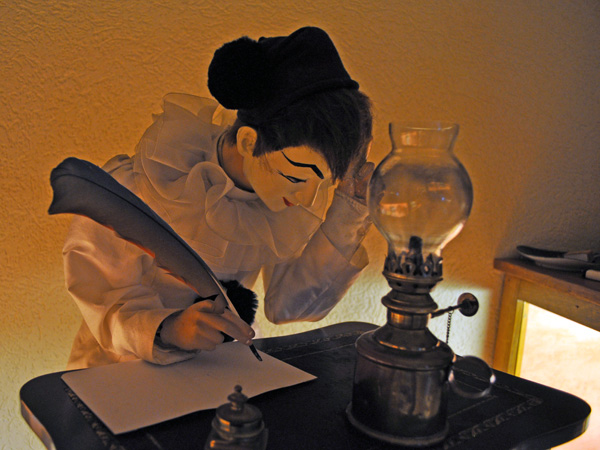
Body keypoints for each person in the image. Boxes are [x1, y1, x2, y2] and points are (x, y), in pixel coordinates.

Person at [63, 26, 374, 369]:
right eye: (296, 178)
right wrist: (167, 328)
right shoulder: (145, 184)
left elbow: (288, 306)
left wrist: (348, 213)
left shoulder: (279, 206)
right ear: (248, 142)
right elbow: (101, 298)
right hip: (122, 374)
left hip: (223, 370)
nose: (307, 198)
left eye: (322, 183)